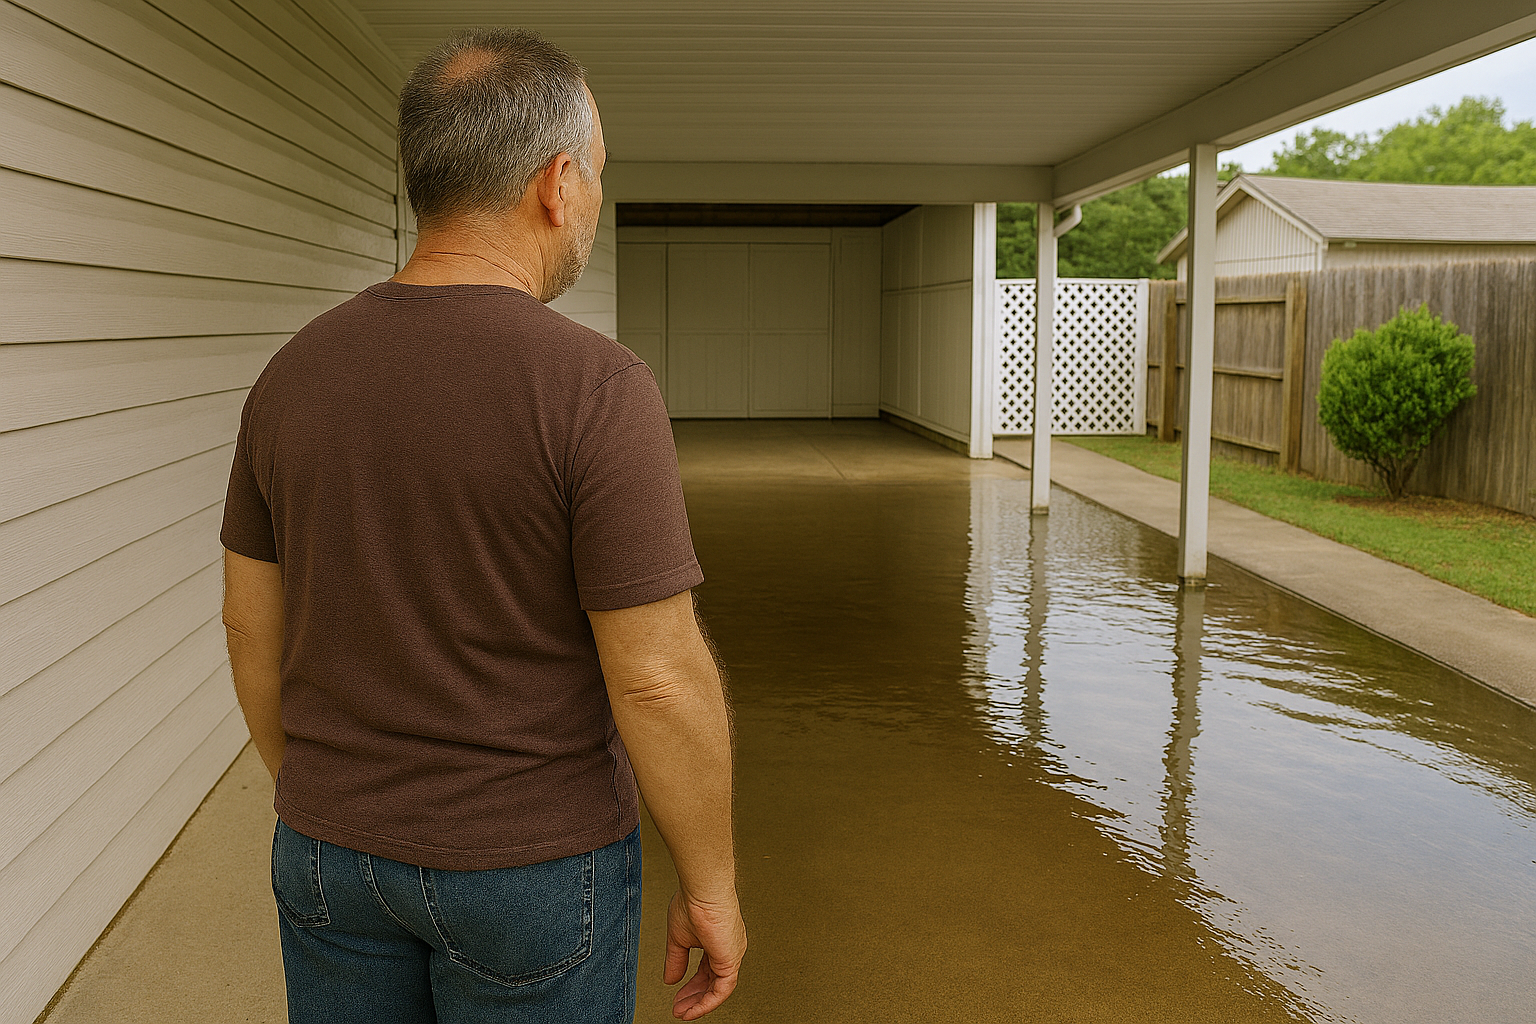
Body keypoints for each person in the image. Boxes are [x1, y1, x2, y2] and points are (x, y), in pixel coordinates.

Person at [219, 27, 746, 1024]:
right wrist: (711, 883)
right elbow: (656, 675)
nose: (592, 200)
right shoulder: (596, 387)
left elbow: (250, 623)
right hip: (531, 871)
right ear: (557, 185)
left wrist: (330, 796)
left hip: (330, 860)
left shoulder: (292, 375)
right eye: (595, 175)